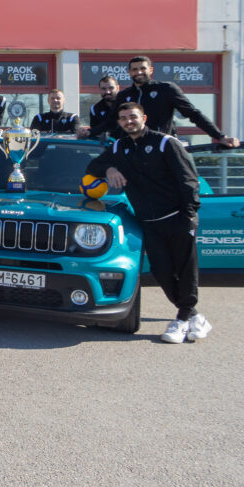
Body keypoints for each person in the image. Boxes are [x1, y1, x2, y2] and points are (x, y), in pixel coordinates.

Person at [86, 102, 210, 343]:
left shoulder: (165, 143)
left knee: (185, 270)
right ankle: (194, 316)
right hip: (149, 222)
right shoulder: (119, 147)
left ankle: (182, 319)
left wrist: (189, 216)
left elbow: (189, 181)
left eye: (132, 116)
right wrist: (109, 168)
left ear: (144, 118)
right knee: (161, 271)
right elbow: (93, 166)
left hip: (178, 218)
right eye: (123, 118)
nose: (128, 121)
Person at [115, 56, 240, 147]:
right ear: (129, 72)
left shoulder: (166, 89)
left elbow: (193, 114)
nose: (139, 72)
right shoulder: (123, 95)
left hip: (160, 147)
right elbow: (112, 121)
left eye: (143, 68)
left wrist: (220, 136)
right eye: (135, 69)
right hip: (131, 149)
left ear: (151, 70)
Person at [86, 75, 122, 140]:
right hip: (106, 144)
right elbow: (95, 133)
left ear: (118, 88)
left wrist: (89, 132)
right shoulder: (95, 109)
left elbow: (113, 124)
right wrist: (85, 132)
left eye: (111, 88)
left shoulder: (125, 104)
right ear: (99, 90)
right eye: (103, 89)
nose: (107, 92)